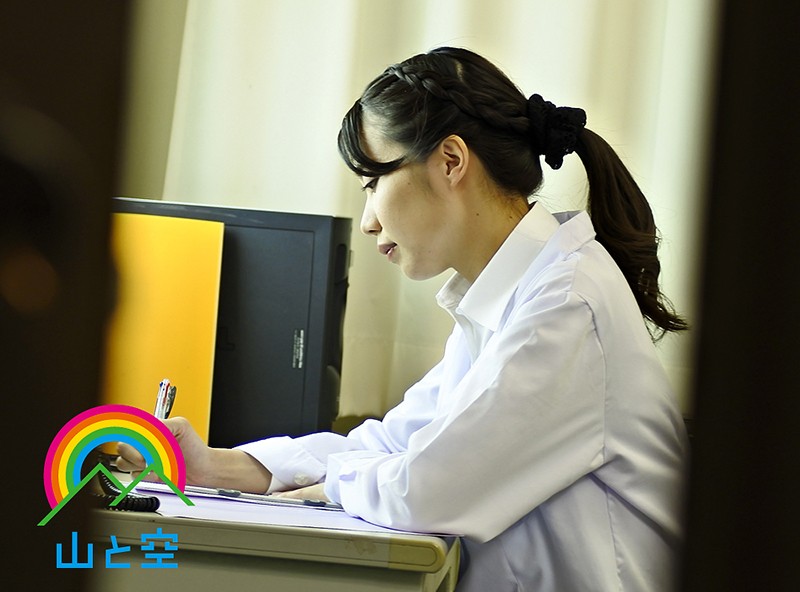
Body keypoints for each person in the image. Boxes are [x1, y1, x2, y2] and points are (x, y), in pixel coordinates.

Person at [118, 47, 689, 591]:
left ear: (450, 161)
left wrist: (333, 485)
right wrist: (213, 467)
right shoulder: (513, 295)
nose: (368, 220)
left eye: (373, 183)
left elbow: (425, 488)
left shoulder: (566, 305)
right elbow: (394, 442)